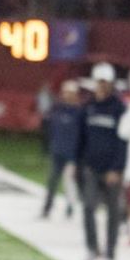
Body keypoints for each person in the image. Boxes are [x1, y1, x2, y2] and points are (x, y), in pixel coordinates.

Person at [79, 63, 126, 260]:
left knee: (112, 212)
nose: (102, 86)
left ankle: (110, 252)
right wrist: (80, 162)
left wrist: (117, 168)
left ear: (111, 83)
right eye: (99, 82)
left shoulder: (119, 108)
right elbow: (82, 138)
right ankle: (92, 249)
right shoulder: (88, 107)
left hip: (111, 170)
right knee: (88, 207)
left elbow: (123, 141)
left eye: (105, 82)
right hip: (91, 167)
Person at [43, 79, 83, 218]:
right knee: (52, 180)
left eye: (70, 92)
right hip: (57, 151)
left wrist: (78, 154)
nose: (67, 95)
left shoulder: (79, 113)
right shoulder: (57, 109)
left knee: (69, 182)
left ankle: (70, 207)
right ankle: (47, 207)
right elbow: (51, 130)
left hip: (72, 154)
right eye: (65, 92)